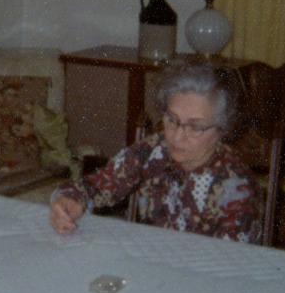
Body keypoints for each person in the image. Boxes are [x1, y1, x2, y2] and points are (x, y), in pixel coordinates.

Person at [50, 64, 262, 242]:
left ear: (222, 130)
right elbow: (96, 186)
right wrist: (69, 201)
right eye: (171, 119)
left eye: (195, 127)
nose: (177, 136)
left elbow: (231, 262)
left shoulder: (238, 186)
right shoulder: (152, 150)